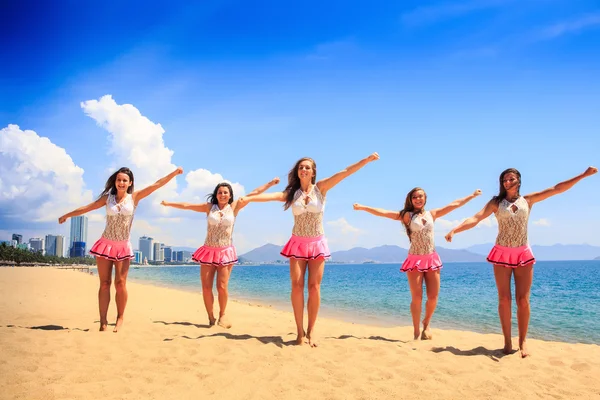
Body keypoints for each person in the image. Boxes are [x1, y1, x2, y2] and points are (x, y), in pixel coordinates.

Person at [445, 166, 597, 357]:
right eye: (504, 180)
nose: (507, 182)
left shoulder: (528, 200)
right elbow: (476, 218)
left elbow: (557, 188)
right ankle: (507, 343)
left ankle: (523, 342)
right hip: (501, 253)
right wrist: (454, 230)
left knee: (522, 300)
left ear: (518, 181)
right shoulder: (495, 203)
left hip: (523, 252)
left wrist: (583, 175)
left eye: (511, 179)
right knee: (504, 299)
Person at [240, 153, 379, 347]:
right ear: (297, 172)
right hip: (297, 243)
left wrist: (366, 161)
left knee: (314, 288)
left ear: (313, 172)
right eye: (301, 167)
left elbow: (345, 173)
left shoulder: (321, 188)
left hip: (317, 243)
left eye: (307, 167)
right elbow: (268, 197)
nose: (303, 169)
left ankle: (311, 331)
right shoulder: (292, 194)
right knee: (296, 287)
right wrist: (248, 198)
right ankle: (299, 332)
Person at [59, 166, 183, 332]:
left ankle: (120, 317)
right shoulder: (107, 198)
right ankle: (103, 321)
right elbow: (88, 207)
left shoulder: (134, 197)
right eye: (119, 180)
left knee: (120, 283)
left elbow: (156, 184)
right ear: (115, 182)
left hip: (123, 245)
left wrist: (174, 173)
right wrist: (67, 214)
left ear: (130, 183)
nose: (121, 183)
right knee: (104, 284)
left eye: (125, 180)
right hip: (105, 244)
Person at [353, 188, 481, 340]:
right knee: (417, 298)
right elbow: (384, 213)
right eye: (414, 197)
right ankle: (415, 331)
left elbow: (454, 205)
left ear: (425, 198)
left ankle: (426, 323)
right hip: (414, 259)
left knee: (433, 297)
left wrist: (472, 196)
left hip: (431, 258)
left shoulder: (432, 214)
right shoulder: (407, 216)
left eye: (420, 196)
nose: (418, 199)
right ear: (411, 199)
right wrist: (363, 207)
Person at [161, 177, 280, 328]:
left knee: (222, 286)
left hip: (225, 251)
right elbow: (187, 205)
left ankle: (222, 315)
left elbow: (253, 193)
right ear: (216, 195)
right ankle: (211, 317)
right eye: (220, 192)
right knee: (206, 287)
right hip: (208, 251)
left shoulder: (235, 206)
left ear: (230, 195)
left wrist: (270, 184)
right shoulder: (209, 207)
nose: (222, 194)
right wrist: (168, 203)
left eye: (225, 192)